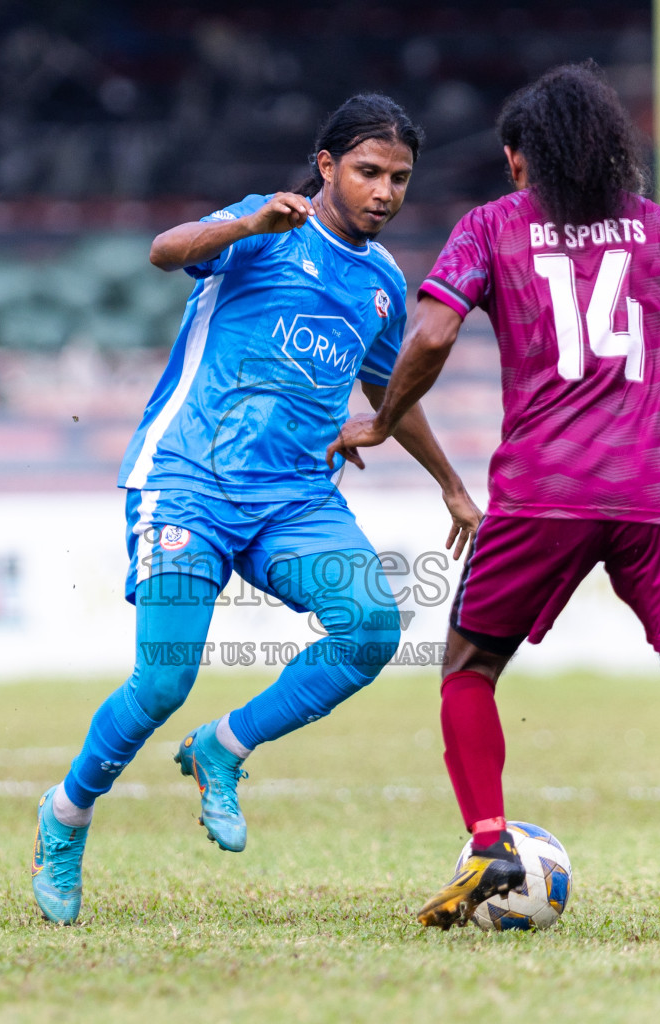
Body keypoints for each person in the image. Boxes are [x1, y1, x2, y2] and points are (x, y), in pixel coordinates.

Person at [329, 63, 660, 941]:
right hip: (655, 492)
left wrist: (380, 418)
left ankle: (486, 843)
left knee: (469, 668)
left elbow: (432, 331)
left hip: (542, 491)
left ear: (520, 161)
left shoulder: (492, 227)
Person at [30, 94, 480, 925]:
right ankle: (66, 815)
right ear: (326, 167)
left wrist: (447, 479)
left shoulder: (382, 283)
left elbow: (389, 388)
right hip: (188, 480)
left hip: (295, 497)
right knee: (163, 678)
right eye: (368, 171)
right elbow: (164, 252)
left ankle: (223, 748)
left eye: (400, 178)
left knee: (373, 626)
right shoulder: (264, 224)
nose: (384, 191)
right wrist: (244, 228)